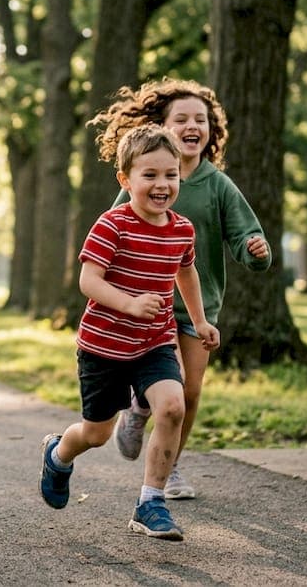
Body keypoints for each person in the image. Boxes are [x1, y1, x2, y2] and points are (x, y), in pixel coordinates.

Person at [89, 78, 271, 501]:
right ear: (163, 128)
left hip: (198, 308)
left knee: (189, 392)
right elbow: (112, 230)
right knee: (165, 387)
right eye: (182, 118)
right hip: (149, 305)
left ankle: (167, 459)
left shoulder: (218, 185)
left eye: (201, 119)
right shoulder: (140, 181)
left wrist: (254, 249)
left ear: (211, 131)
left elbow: (246, 236)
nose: (193, 125)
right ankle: (143, 415)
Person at [39, 125, 219, 541]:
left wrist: (200, 320)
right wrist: (130, 303)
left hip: (154, 341)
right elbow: (89, 281)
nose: (162, 185)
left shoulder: (181, 229)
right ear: (126, 180)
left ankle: (150, 502)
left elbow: (185, 271)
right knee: (97, 433)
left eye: (170, 175)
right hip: (103, 346)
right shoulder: (112, 224)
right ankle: (58, 454)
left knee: (173, 406)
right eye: (150, 175)